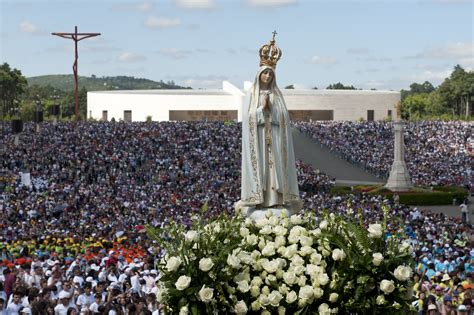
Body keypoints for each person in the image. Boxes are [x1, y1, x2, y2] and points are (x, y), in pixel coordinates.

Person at [237, 32, 301, 218]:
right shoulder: (252, 95)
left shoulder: (277, 95)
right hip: (258, 141)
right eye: (264, 72)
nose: (267, 76)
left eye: (270, 73)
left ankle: (277, 199)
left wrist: (271, 111)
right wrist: (260, 110)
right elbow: (248, 119)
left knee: (275, 170)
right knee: (263, 170)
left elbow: (283, 118)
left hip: (274, 138)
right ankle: (260, 199)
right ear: (259, 75)